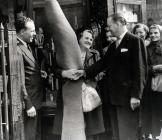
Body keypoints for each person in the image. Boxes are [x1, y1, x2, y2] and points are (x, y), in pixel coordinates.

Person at [75, 13, 148, 140]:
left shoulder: (135, 41)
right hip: (113, 98)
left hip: (128, 99)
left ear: (120, 23)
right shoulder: (114, 45)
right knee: (117, 134)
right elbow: (102, 63)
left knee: (128, 133)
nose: (108, 29)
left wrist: (136, 96)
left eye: (110, 26)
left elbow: (140, 70)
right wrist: (85, 72)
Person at [53, 27, 105, 140]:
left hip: (88, 94)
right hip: (70, 96)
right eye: (86, 38)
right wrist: (64, 73)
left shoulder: (95, 54)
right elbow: (54, 70)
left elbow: (101, 73)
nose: (89, 41)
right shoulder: (67, 53)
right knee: (71, 127)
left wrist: (86, 77)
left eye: (91, 39)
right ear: (78, 38)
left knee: (90, 129)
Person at [15, 16, 46, 140]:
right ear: (22, 31)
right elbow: (19, 79)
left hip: (35, 99)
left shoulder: (26, 45)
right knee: (30, 136)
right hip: (29, 101)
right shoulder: (17, 48)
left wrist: (39, 73)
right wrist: (28, 104)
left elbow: (28, 70)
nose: (35, 34)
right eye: (32, 31)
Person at [146, 24, 162, 139]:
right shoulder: (146, 49)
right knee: (155, 111)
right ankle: (156, 135)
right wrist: (153, 69)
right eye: (151, 33)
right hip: (153, 83)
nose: (153, 35)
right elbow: (143, 67)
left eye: (156, 33)